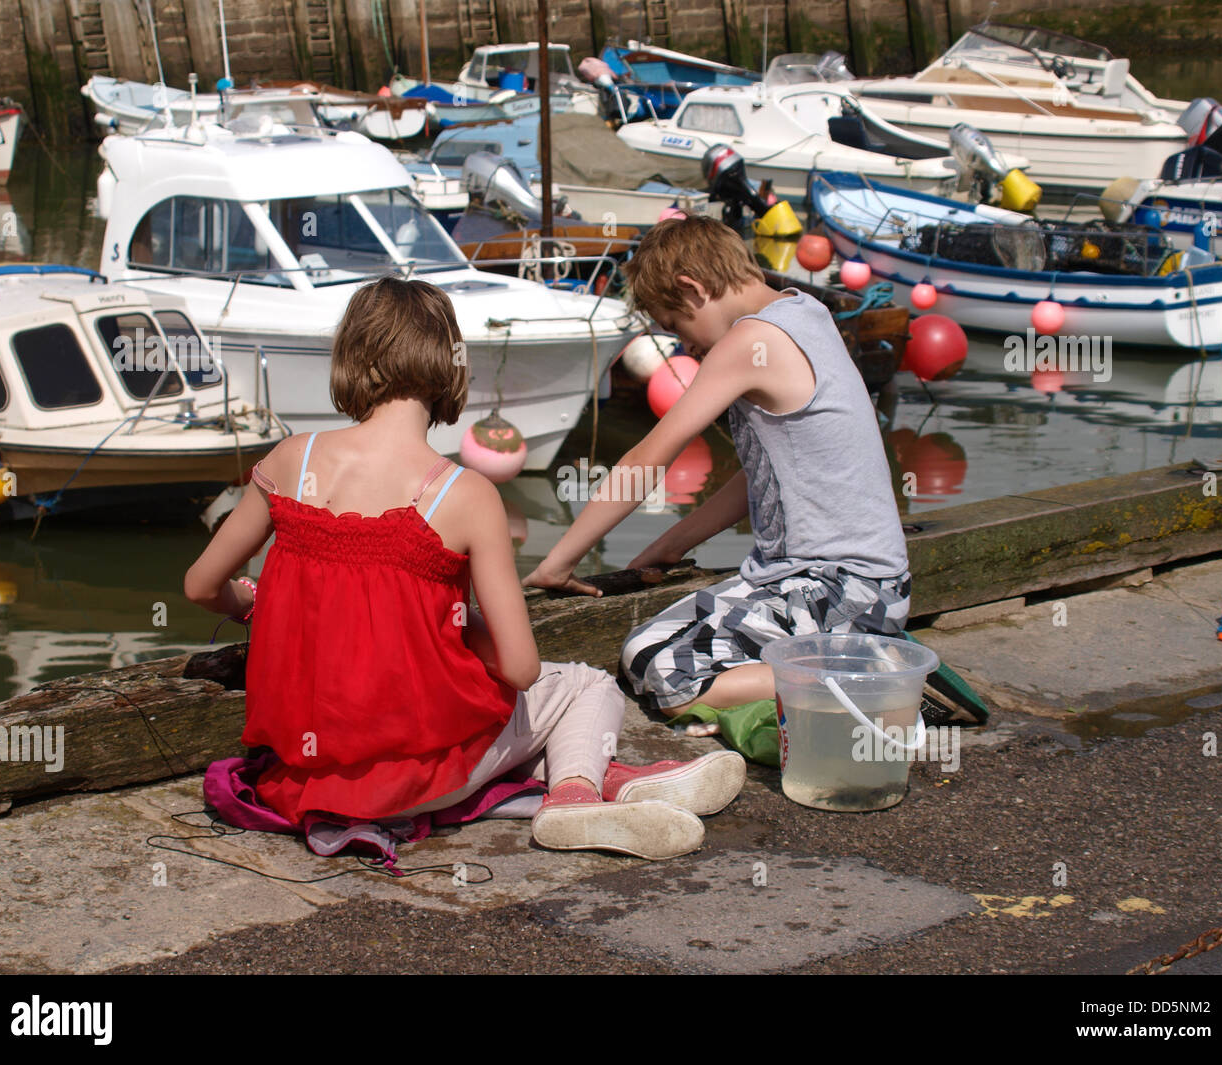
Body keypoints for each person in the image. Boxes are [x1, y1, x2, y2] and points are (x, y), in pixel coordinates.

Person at [184, 276, 744, 860]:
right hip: (421, 779)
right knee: (584, 683)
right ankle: (577, 794)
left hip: (302, 780)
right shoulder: (464, 493)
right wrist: (452, 623)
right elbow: (523, 667)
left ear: (352, 355)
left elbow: (200, 585)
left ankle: (599, 785)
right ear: (449, 364)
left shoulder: (290, 461)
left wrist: (252, 602)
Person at [524, 215, 910, 733]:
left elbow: (646, 459)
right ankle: (816, 683)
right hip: (860, 586)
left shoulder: (753, 341)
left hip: (837, 588)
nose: (685, 347)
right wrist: (670, 545)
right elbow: (759, 478)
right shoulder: (805, 310)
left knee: (660, 669)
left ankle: (869, 682)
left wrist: (558, 563)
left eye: (676, 326)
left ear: (693, 288)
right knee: (643, 644)